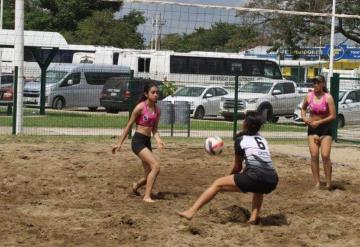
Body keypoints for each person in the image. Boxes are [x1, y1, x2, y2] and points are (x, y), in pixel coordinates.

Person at [177, 111, 278, 224]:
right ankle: (253, 219)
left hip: (256, 177)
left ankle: (191, 212)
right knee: (259, 188)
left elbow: (237, 167)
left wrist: (227, 178)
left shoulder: (241, 140)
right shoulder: (263, 140)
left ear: (246, 123)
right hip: (272, 180)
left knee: (217, 184)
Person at [112, 83, 165, 203]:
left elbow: (154, 129)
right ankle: (146, 196)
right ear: (146, 94)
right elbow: (129, 125)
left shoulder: (157, 110)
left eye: (157, 92)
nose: (156, 94)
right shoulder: (140, 107)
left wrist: (158, 140)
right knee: (156, 167)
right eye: (153, 92)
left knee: (148, 176)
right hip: (138, 142)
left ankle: (136, 186)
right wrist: (119, 143)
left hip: (147, 142)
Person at [301, 75, 336, 189]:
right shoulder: (309, 96)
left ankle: (328, 183)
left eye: (317, 82)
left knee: (325, 155)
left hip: (325, 129)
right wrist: (304, 118)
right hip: (312, 129)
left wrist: (319, 122)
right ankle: (317, 182)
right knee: (314, 155)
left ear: (323, 84)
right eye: (314, 82)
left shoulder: (328, 97)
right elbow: (303, 108)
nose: (315, 84)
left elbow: (333, 116)